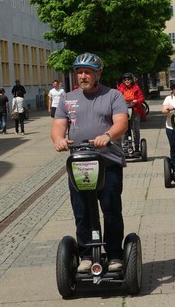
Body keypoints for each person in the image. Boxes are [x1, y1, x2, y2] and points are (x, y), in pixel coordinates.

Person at [52, 52, 128, 274]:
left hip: (107, 162)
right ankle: (86, 255)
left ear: (98, 73)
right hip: (79, 162)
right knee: (82, 210)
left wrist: (108, 135)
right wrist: (59, 139)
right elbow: (58, 125)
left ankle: (114, 253)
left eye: (87, 72)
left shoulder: (113, 96)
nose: (83, 76)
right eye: (79, 72)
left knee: (111, 209)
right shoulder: (67, 98)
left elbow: (121, 123)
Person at [116, 72, 145, 153]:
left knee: (135, 129)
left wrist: (136, 101)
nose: (127, 81)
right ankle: (125, 147)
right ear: (123, 81)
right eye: (125, 79)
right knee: (124, 129)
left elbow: (141, 98)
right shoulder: (120, 89)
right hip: (124, 111)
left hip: (135, 110)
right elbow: (116, 98)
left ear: (132, 80)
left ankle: (136, 146)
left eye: (129, 79)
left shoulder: (136, 88)